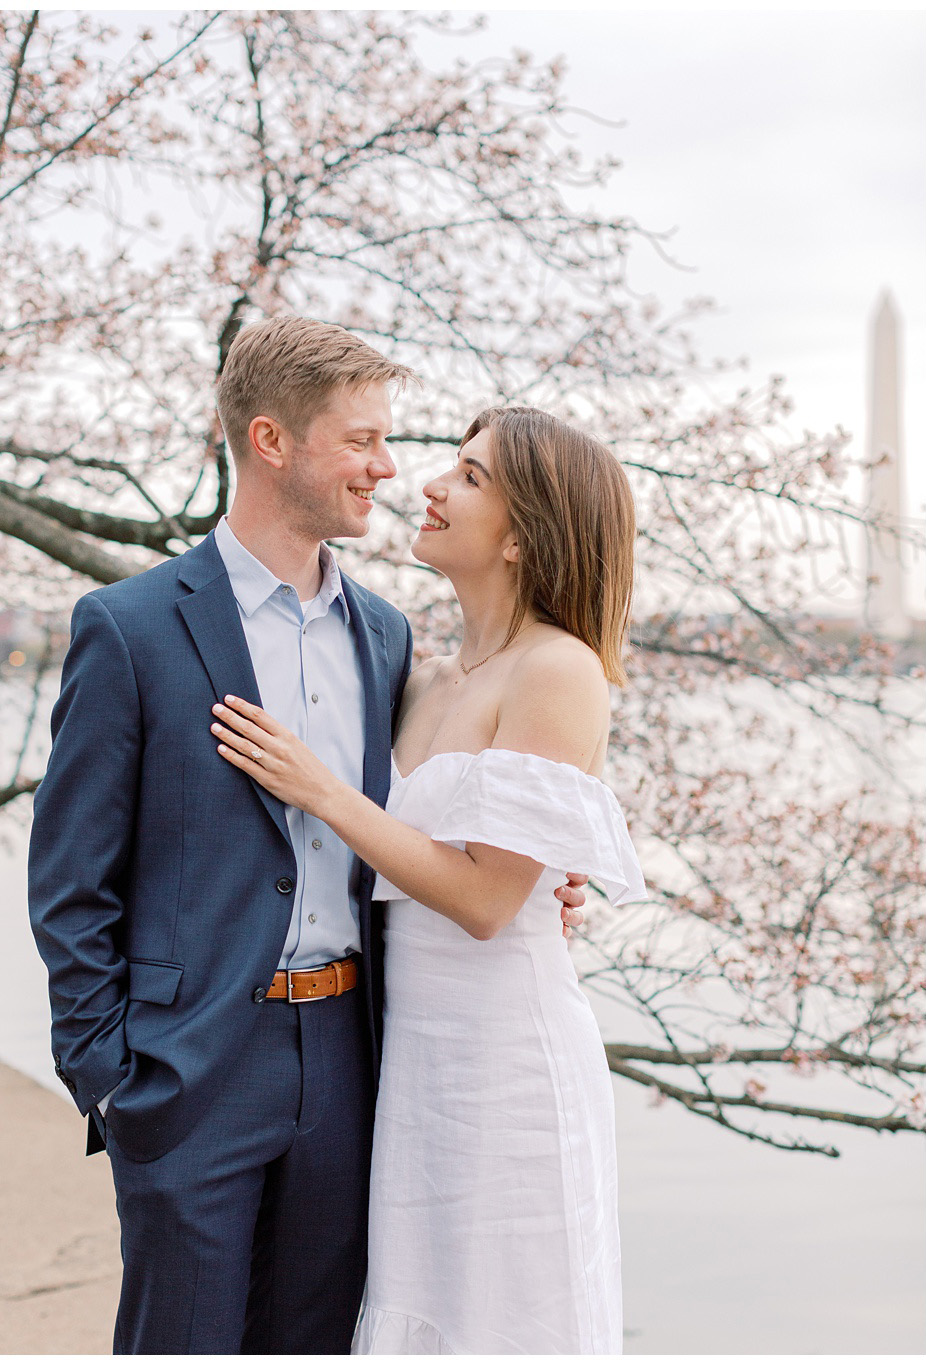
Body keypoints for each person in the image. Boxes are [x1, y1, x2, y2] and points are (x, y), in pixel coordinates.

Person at [26, 315, 588, 1355]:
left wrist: (542, 874)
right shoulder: (131, 627)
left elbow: (441, 822)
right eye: (361, 440)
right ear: (270, 440)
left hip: (353, 1063)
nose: (387, 468)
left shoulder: (385, 638)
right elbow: (69, 885)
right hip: (189, 1070)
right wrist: (112, 1078)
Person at [211, 406, 646, 1353]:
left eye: (471, 475)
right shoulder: (419, 672)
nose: (431, 485)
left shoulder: (558, 670)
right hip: (411, 1063)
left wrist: (321, 791)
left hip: (509, 1066)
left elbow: (490, 900)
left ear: (527, 531)